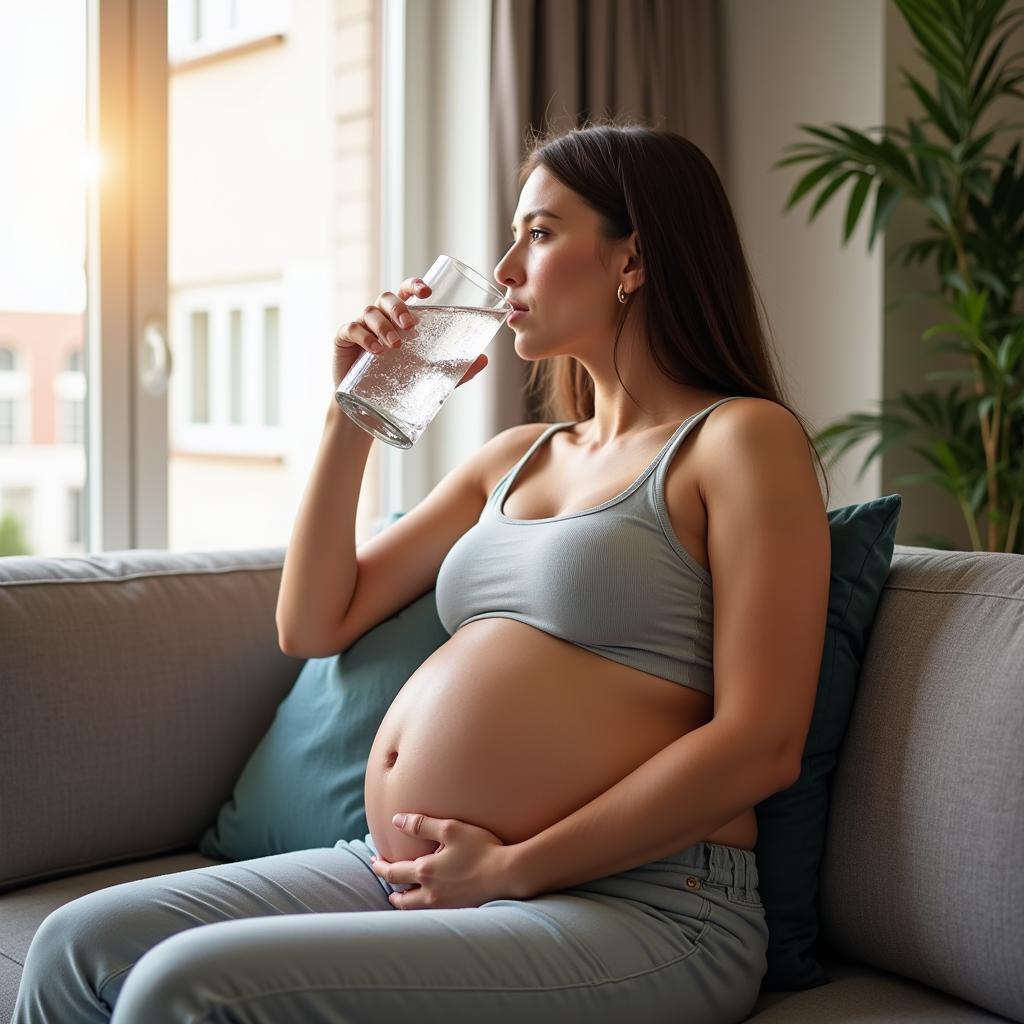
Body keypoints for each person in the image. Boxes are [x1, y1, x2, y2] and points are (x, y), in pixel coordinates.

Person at [12, 121, 832, 1024]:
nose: (507, 267)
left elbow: (762, 741)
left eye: (543, 232)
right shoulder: (515, 457)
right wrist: (353, 411)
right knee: (73, 947)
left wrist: (514, 866)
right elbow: (314, 623)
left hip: (647, 900)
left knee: (184, 990)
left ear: (632, 260)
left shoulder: (740, 441)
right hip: (411, 869)